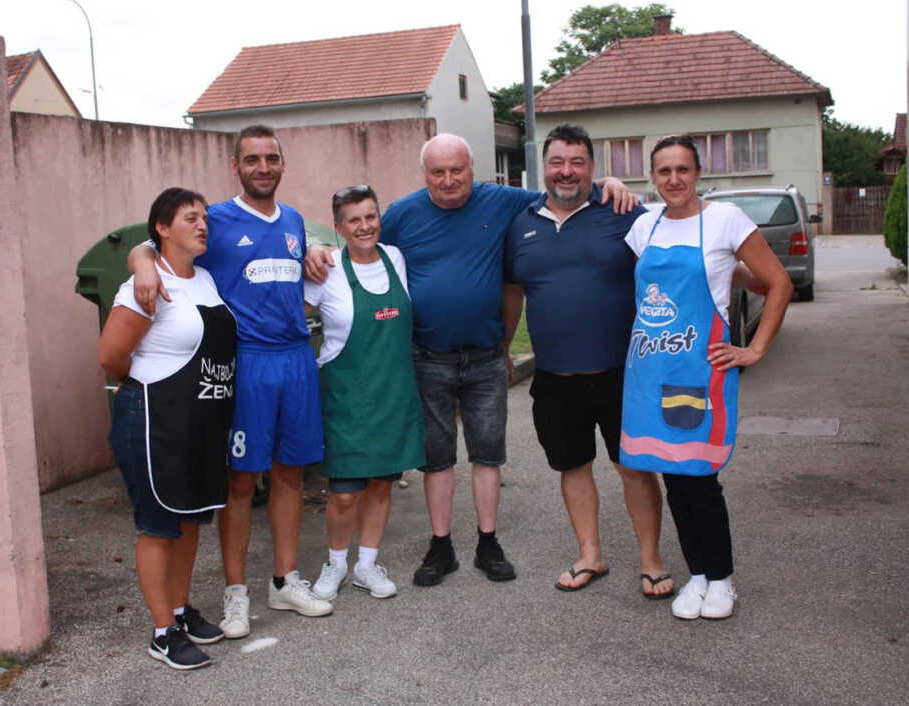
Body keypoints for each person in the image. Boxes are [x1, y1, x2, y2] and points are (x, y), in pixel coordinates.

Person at [306, 134, 638, 588]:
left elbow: (564, 189)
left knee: (487, 454)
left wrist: (608, 183)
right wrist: (316, 251)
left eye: (457, 170)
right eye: (437, 173)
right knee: (437, 459)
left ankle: (488, 542)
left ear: (472, 168)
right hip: (427, 356)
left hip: (485, 355)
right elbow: (358, 244)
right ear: (424, 175)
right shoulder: (401, 214)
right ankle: (440, 545)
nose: (448, 181)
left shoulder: (501, 200)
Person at [128, 125, 332, 638]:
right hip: (246, 361)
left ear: (282, 164)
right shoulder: (214, 220)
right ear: (235, 165)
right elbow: (151, 240)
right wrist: (143, 266)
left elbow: (311, 250)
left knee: (291, 474)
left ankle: (284, 581)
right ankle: (235, 593)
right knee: (241, 482)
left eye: (271, 158)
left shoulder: (294, 220)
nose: (262, 167)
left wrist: (316, 248)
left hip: (295, 359)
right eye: (252, 159)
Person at [621, 134, 793, 620]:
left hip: (700, 370)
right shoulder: (644, 227)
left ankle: (721, 579)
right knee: (673, 477)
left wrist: (755, 349)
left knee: (699, 478)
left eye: (683, 170)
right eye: (664, 171)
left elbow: (777, 282)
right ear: (652, 178)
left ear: (698, 174)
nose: (674, 179)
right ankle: (696, 576)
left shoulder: (725, 220)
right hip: (650, 372)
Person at [503, 123, 674, 598]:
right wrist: (503, 348)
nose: (566, 171)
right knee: (572, 466)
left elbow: (671, 257)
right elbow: (513, 290)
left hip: (620, 374)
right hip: (555, 377)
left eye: (578, 162)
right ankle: (590, 555)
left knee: (635, 468)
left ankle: (652, 561)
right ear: (544, 167)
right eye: (557, 161)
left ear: (593, 169)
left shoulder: (624, 212)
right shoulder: (522, 223)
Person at [100, 187, 235, 669]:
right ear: (161, 227)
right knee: (159, 527)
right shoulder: (144, 282)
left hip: (198, 422)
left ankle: (178, 610)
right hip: (152, 417)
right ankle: (161, 632)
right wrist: (143, 385)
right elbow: (110, 357)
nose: (202, 225)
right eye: (189, 218)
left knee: (190, 518)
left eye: (204, 218)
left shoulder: (204, 280)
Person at [303, 185, 425, 601]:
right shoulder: (325, 269)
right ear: (338, 227)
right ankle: (335, 564)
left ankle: (367, 565)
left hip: (393, 393)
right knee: (343, 494)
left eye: (370, 216)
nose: (365, 226)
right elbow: (286, 314)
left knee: (381, 486)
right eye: (354, 219)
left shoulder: (395, 258)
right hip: (347, 399)